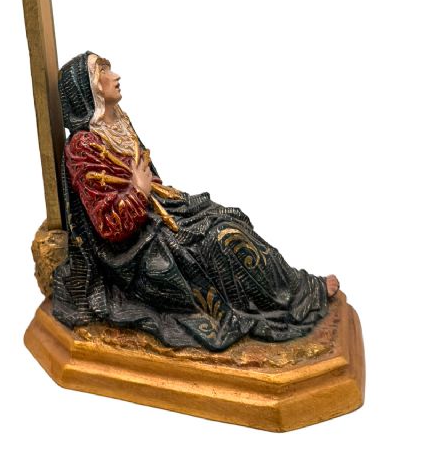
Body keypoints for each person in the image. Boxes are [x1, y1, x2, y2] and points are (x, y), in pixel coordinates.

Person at [52, 52, 339, 351]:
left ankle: (294, 290)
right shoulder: (83, 146)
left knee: (229, 218)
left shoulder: (118, 122)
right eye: (103, 72)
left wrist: (151, 191)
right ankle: (284, 302)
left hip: (161, 212)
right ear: (87, 88)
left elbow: (149, 175)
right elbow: (108, 225)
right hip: (133, 246)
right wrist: (139, 192)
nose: (115, 76)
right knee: (222, 239)